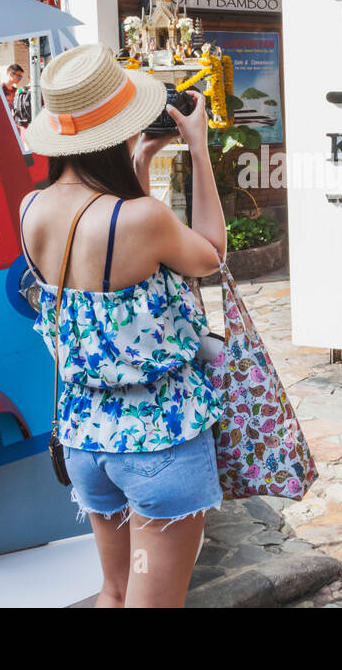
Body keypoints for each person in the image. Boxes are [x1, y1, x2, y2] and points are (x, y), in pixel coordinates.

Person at [18, 43, 226, 608]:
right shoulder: (144, 218)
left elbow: (104, 235)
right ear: (120, 129)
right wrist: (199, 153)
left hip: (87, 439)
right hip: (159, 441)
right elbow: (211, 254)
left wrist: (141, 160)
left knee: (114, 592)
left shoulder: (31, 209)